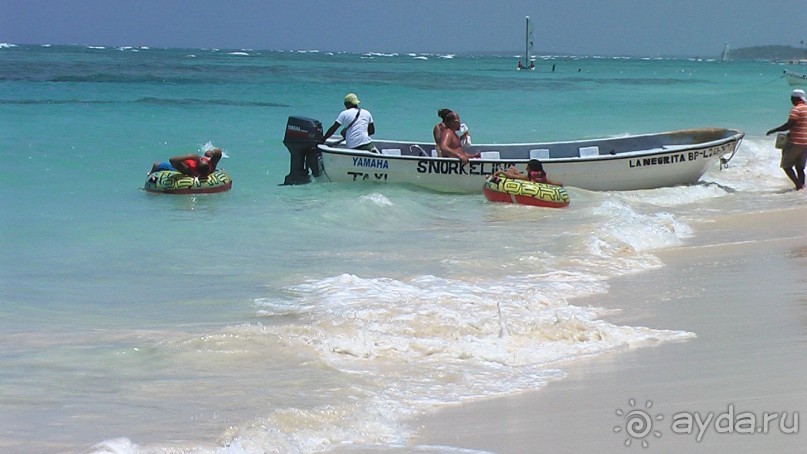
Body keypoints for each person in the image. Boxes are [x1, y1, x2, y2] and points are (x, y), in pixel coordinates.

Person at [766, 88, 807, 190]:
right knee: (800, 167)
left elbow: (790, 124)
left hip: (795, 142)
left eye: (791, 98)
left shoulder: (796, 110)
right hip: (805, 143)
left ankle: (799, 185)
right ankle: (802, 188)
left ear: (795, 98)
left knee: (786, 166)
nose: (791, 100)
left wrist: (774, 130)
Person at [150, 148, 223, 179]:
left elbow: (172, 160)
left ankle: (150, 175)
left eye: (199, 160)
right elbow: (219, 153)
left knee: (156, 165)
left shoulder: (187, 169)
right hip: (184, 166)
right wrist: (212, 152)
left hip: (176, 169)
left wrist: (190, 156)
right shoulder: (211, 168)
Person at [495, 159, 562, 186]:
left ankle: (513, 170)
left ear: (531, 169)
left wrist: (501, 171)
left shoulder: (529, 177)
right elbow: (560, 184)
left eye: (528, 167)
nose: (526, 169)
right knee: (514, 171)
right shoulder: (542, 177)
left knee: (511, 171)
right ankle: (515, 171)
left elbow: (512, 176)